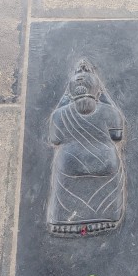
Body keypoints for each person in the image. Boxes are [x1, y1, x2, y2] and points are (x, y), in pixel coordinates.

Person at [47, 59, 125, 235]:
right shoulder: (110, 111)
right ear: (96, 88)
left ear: (71, 89)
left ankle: (65, 223)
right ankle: (105, 219)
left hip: (70, 165)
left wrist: (65, 98)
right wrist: (102, 94)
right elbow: (117, 136)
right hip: (104, 163)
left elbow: (55, 139)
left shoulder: (59, 115)